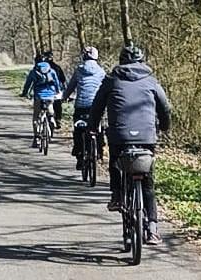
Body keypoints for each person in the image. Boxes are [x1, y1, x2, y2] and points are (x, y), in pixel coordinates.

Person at [88, 44, 172, 244]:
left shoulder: (111, 80)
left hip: (120, 136)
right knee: (148, 181)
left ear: (121, 61)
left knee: (115, 161)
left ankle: (117, 196)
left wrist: (92, 127)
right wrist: (164, 126)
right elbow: (165, 108)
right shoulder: (151, 81)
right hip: (146, 137)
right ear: (142, 61)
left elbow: (97, 106)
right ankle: (153, 228)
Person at [63, 47, 107, 167]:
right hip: (96, 105)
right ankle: (99, 152)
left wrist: (64, 97)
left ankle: (79, 152)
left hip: (81, 106)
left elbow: (71, 87)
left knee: (78, 129)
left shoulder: (79, 70)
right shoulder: (101, 72)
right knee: (99, 128)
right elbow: (105, 89)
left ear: (84, 57)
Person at [20, 59, 66, 144]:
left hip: (39, 96)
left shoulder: (33, 72)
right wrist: (57, 91)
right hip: (50, 96)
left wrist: (24, 93)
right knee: (50, 107)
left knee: (36, 116)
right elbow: (56, 82)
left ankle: (36, 137)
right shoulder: (51, 71)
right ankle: (51, 118)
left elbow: (28, 84)